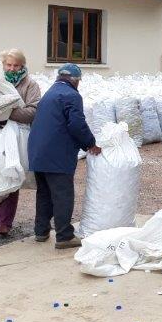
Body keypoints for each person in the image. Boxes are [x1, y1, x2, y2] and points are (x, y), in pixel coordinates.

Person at [27, 63, 99, 249]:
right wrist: (90, 143)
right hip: (57, 154)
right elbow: (77, 124)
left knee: (44, 193)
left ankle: (41, 231)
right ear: (75, 80)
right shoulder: (71, 95)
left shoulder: (49, 93)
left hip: (37, 152)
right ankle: (64, 236)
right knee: (62, 194)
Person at [0, 49, 41, 236]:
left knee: (11, 173)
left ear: (22, 66)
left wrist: (5, 112)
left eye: (16, 65)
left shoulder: (30, 85)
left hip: (17, 137)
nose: (12, 68)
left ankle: (5, 222)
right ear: (3, 65)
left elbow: (33, 111)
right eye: (9, 64)